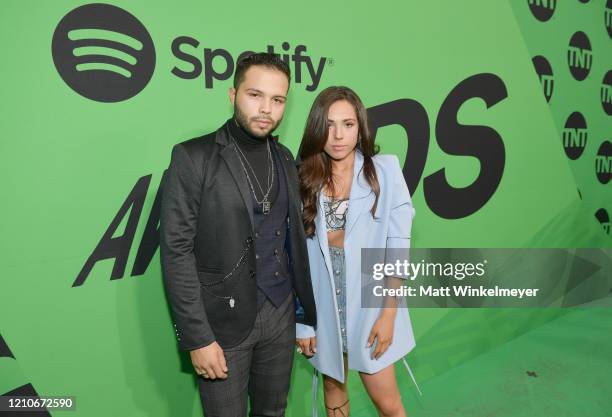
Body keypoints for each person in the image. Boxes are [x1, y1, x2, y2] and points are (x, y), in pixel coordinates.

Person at [160, 52, 317, 417]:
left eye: (277, 100)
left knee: (273, 412)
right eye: (255, 95)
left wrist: (302, 315)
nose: (266, 109)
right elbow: (176, 251)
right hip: (222, 325)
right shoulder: (193, 157)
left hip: (280, 316)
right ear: (233, 95)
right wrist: (198, 338)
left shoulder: (284, 157)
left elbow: (291, 245)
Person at [295, 86, 417, 417]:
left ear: (360, 127)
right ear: (317, 129)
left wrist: (388, 314)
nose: (338, 136)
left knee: (388, 402)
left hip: (370, 299)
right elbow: (296, 261)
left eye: (347, 124)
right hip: (323, 303)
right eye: (329, 125)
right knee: (334, 393)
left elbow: (397, 246)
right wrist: (303, 323)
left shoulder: (385, 171)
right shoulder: (303, 178)